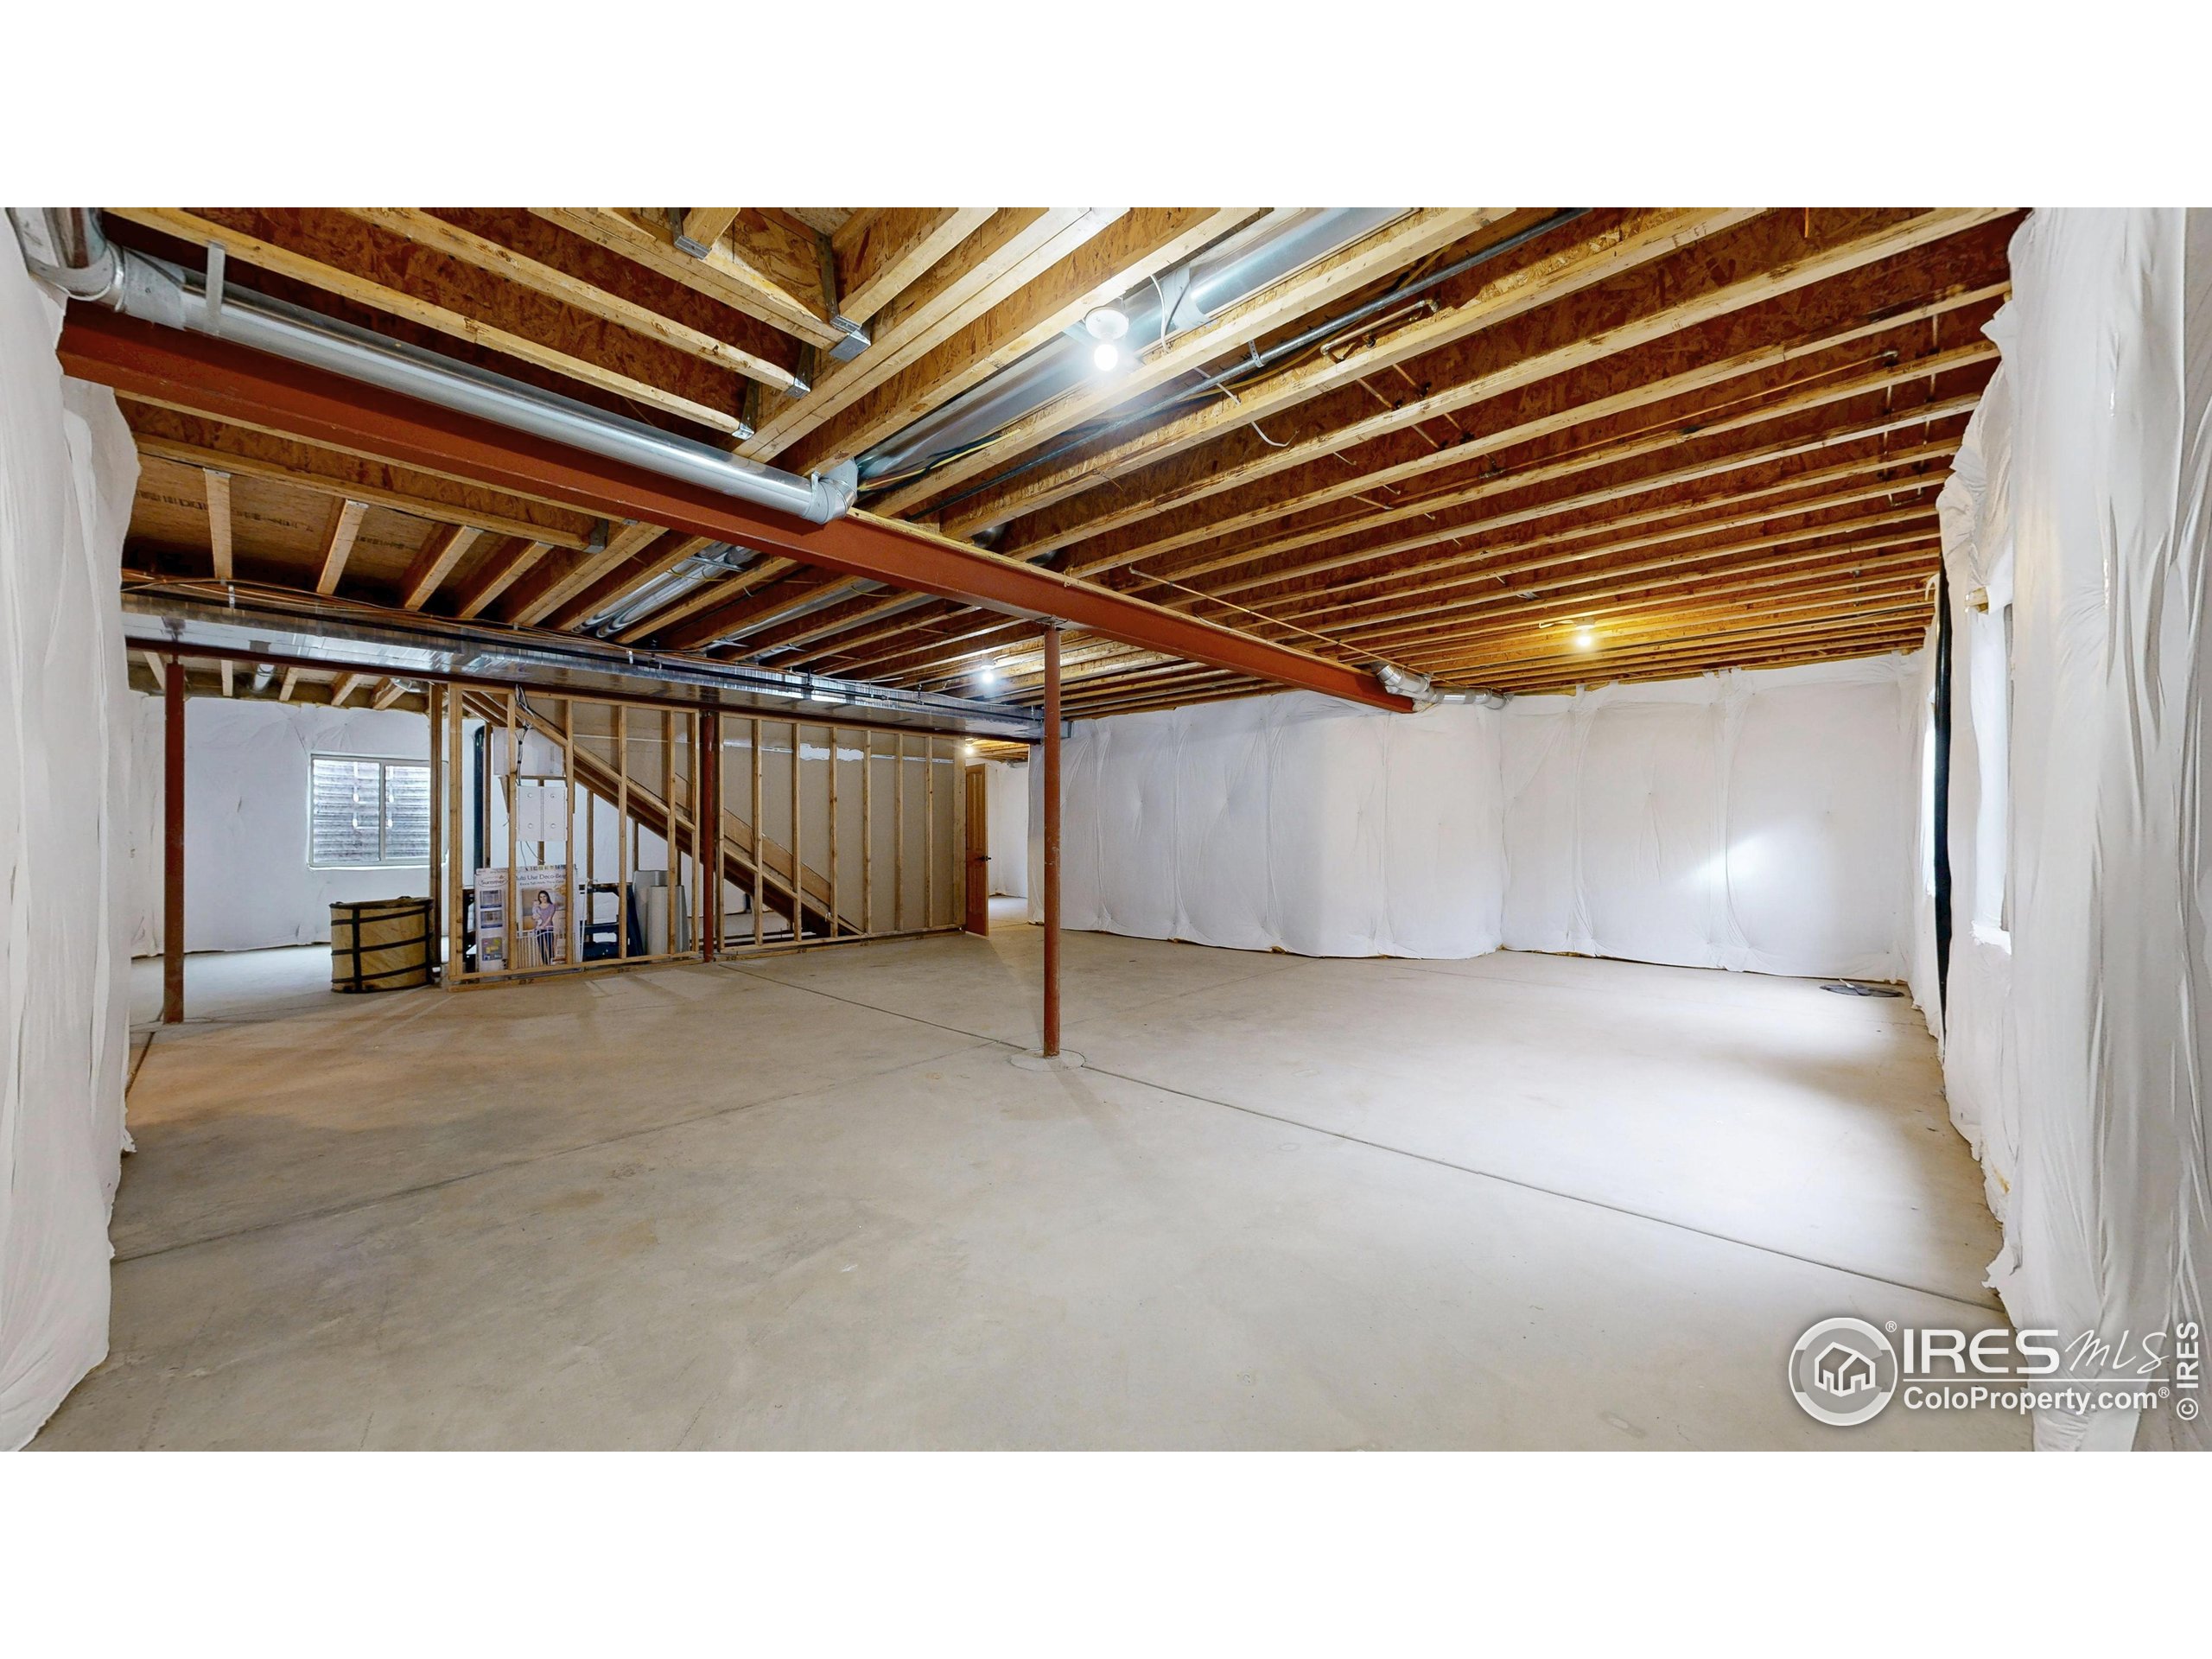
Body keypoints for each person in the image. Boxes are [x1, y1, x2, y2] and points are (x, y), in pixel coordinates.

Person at [531, 888, 559, 967]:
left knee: (549, 945)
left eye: (544, 896)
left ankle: (552, 962)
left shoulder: (551, 906)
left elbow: (550, 917)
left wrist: (544, 925)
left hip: (548, 928)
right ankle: (545, 963)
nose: (543, 898)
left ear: (547, 897)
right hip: (539, 928)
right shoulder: (537, 906)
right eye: (541, 897)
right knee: (541, 947)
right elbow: (534, 915)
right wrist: (534, 918)